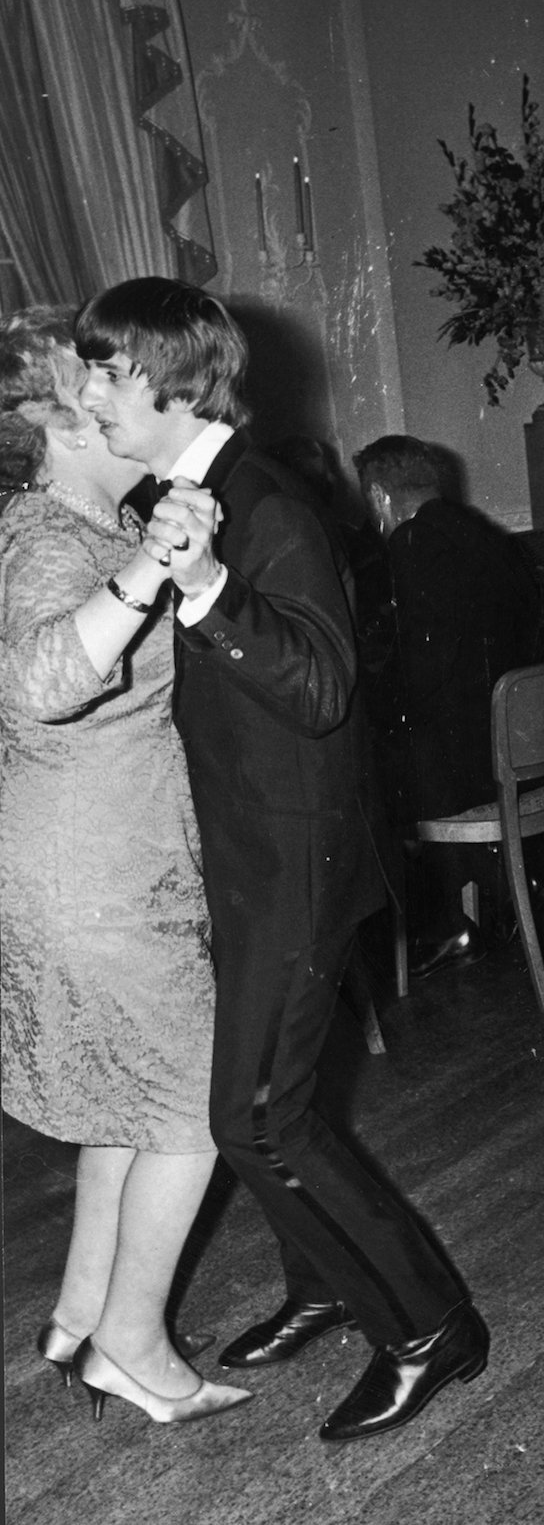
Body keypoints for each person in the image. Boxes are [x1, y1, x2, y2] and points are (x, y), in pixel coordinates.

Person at [75, 278, 488, 1443]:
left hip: (292, 860)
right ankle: (322, 1282)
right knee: (252, 1100)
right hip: (247, 851)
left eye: (109, 370)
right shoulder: (198, 491)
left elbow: (319, 686)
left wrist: (203, 587)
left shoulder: (264, 503)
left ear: (175, 378)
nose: (93, 391)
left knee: (254, 1116)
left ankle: (427, 1323)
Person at [0, 308, 249, 1426]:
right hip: (93, 866)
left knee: (124, 1101)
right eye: (98, 389)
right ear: (57, 421)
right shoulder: (51, 535)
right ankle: (133, 1348)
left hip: (104, 850)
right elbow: (41, 681)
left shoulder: (92, 524)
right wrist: (152, 566)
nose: (124, 402)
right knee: (193, 1108)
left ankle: (80, 1310)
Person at [352, 434, 544, 967]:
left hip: (481, 762)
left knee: (368, 761)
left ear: (378, 496)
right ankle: (512, 879)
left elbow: (420, 672)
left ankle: (443, 923)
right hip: (530, 745)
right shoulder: (488, 535)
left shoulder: (414, 543)